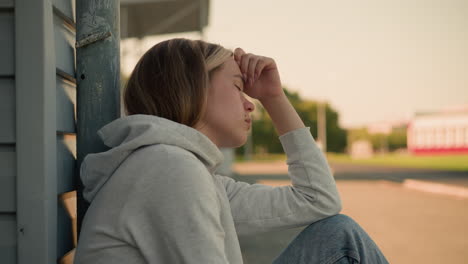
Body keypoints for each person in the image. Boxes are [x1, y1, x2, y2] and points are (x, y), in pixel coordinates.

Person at [73, 38, 389, 264]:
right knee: (343, 240)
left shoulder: (188, 172)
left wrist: (275, 97)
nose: (250, 102)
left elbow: (318, 201)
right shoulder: (168, 168)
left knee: (339, 234)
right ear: (193, 87)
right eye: (238, 86)